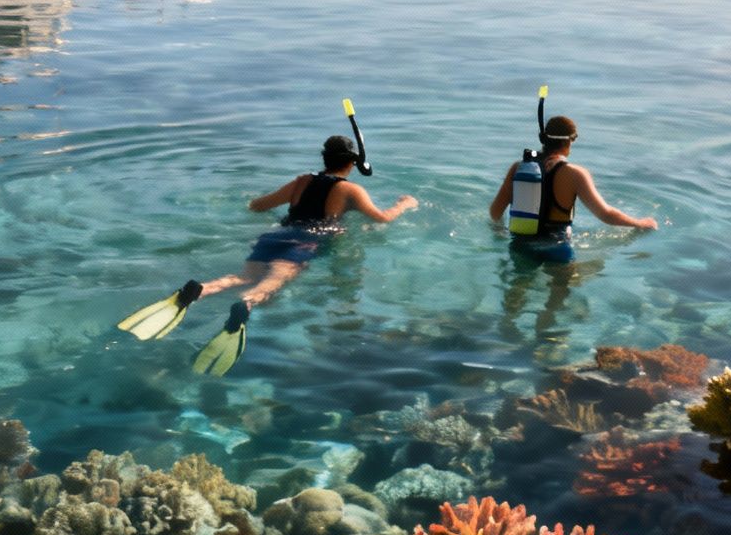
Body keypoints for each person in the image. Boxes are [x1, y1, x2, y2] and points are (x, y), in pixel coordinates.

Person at [119, 134, 417, 373]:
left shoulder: (302, 180)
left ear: (324, 158)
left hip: (277, 234)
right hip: (307, 241)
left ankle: (201, 290)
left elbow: (258, 205)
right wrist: (404, 204)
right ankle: (246, 304)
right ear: (351, 163)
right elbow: (382, 219)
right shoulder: (351, 191)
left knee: (243, 275)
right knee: (272, 283)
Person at [488, 115, 656, 262]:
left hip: (521, 245)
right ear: (569, 141)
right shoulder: (575, 174)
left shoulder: (518, 168)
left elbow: (495, 213)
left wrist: (501, 233)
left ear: (544, 140)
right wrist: (640, 223)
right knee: (561, 294)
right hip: (557, 248)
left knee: (516, 293)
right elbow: (605, 214)